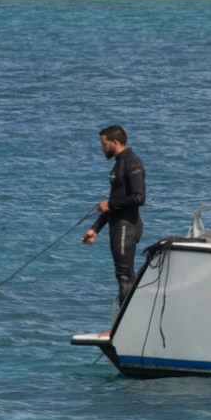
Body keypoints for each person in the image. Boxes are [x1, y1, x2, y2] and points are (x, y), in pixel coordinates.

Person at [81, 125, 146, 308]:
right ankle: (125, 324)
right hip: (117, 225)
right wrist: (95, 228)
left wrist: (109, 204)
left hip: (128, 226)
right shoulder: (119, 163)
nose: (102, 148)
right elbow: (114, 201)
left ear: (115, 142)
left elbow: (139, 198)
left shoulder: (132, 163)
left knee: (125, 275)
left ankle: (123, 327)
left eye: (104, 144)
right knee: (122, 275)